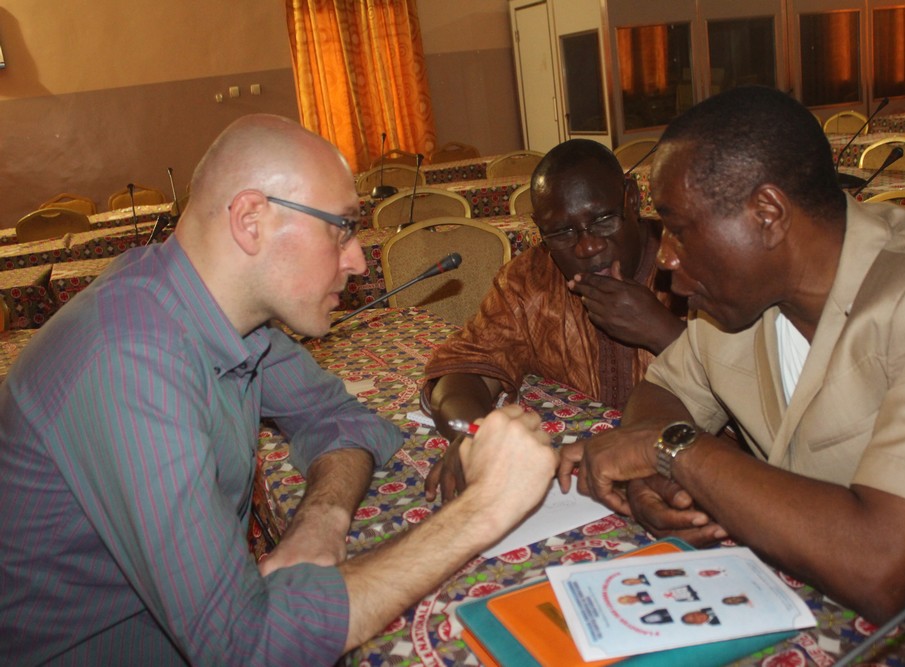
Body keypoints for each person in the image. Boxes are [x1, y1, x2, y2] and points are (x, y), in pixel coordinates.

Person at [0, 114, 557, 665]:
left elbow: (344, 419)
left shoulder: (217, 315)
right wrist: (485, 507)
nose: (359, 259)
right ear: (251, 220)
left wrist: (320, 520)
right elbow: (247, 648)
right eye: (340, 226)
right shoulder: (129, 361)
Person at [558, 86, 905, 624]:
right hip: (788, 590)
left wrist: (673, 450)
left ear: (767, 213)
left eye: (677, 229)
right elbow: (665, 390)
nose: (667, 257)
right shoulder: (738, 300)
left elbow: (878, 566)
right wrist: (658, 480)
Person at [423, 139, 686, 501]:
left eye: (603, 220)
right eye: (561, 233)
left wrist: (663, 331)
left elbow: (755, 395)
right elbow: (465, 370)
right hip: (571, 495)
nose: (586, 246)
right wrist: (474, 433)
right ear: (539, 228)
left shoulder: (687, 268)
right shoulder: (530, 279)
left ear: (631, 199)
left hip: (678, 478)